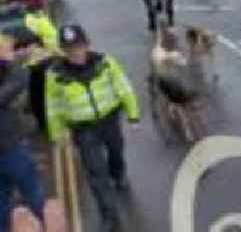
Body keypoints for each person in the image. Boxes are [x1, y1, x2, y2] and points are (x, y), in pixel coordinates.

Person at [45, 25, 140, 232]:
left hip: (109, 120)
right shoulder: (55, 75)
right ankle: (109, 215)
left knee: (116, 152)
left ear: (87, 44)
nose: (75, 53)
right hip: (83, 129)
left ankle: (119, 173)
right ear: (63, 50)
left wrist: (133, 115)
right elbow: (53, 107)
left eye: (78, 46)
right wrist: (57, 135)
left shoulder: (105, 63)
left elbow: (124, 87)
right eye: (69, 49)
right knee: (96, 172)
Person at [0, 33, 46, 232]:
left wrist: (11, 58)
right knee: (27, 193)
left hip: (10, 145)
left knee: (30, 195)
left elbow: (16, 77)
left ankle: (42, 223)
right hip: (10, 146)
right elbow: (17, 80)